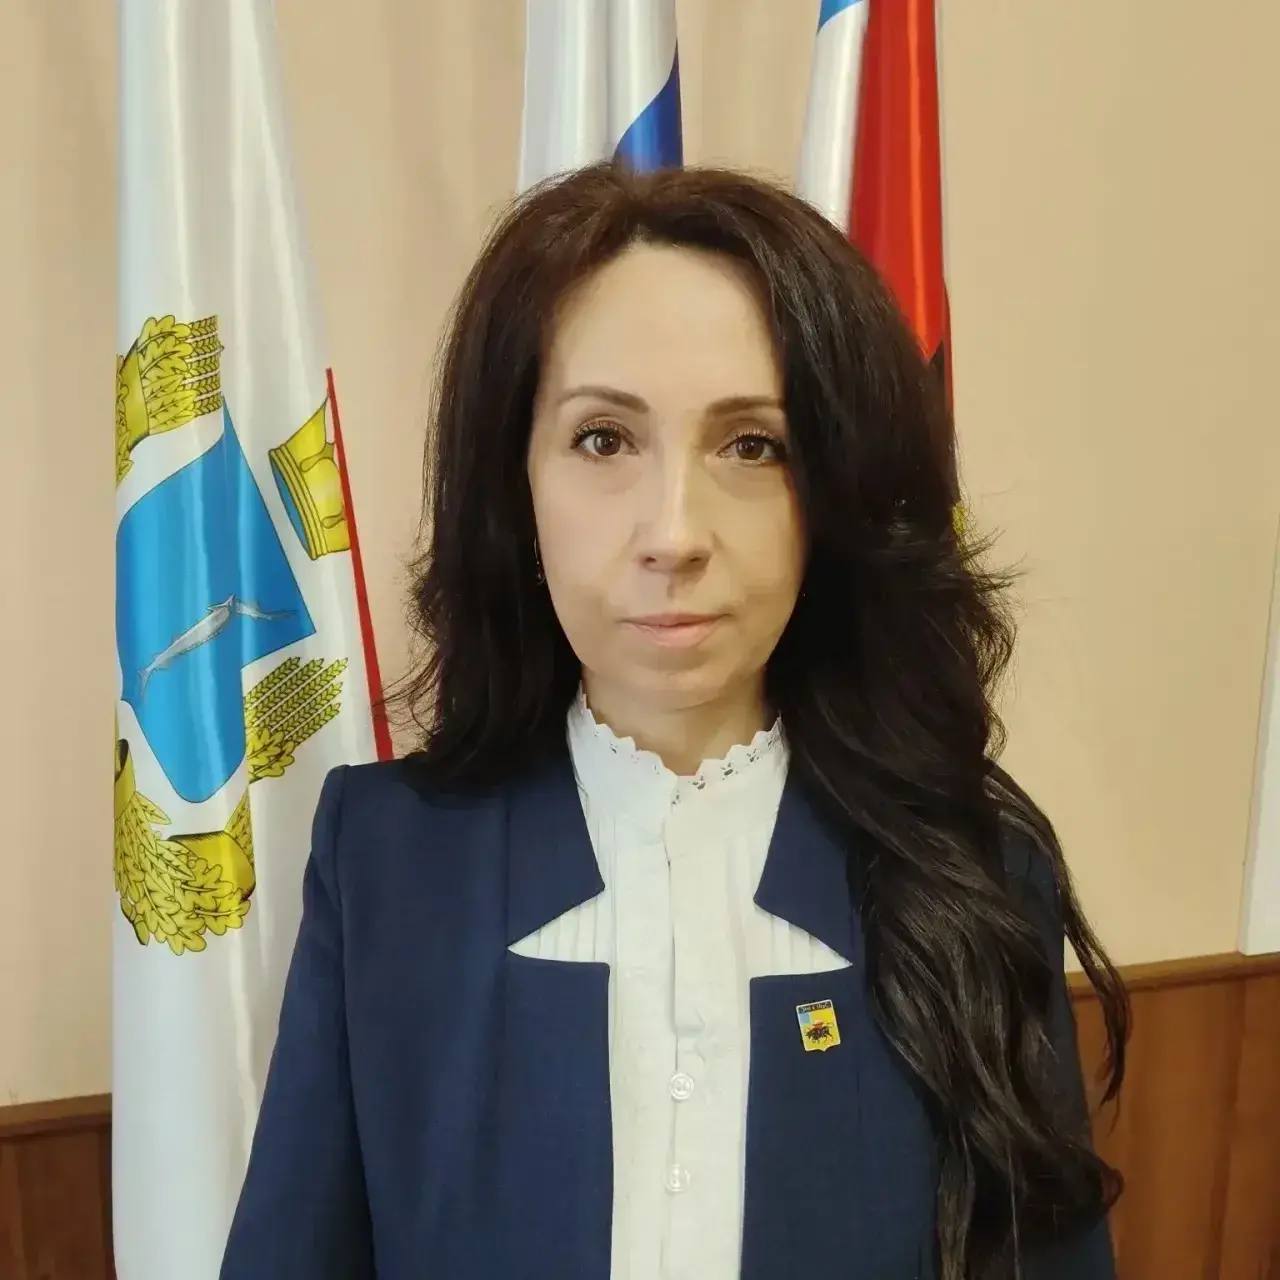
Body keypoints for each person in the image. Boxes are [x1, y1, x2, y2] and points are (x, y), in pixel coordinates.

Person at [220, 160, 1129, 1280]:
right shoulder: (386, 856)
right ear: (516, 483)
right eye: (604, 439)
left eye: (752, 445)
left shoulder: (976, 871)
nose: (673, 533)